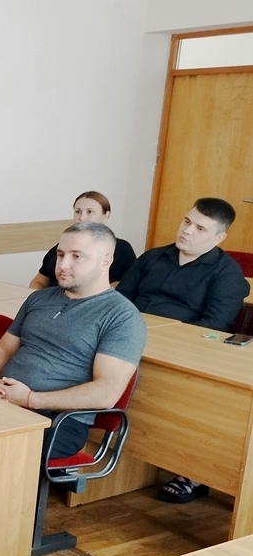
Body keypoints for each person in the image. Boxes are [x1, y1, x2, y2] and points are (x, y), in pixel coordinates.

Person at [115, 196, 250, 503]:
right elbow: (120, 300)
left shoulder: (227, 275)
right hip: (131, 337)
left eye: (200, 228)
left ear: (218, 238)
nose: (187, 231)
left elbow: (212, 327)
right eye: (187, 222)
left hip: (184, 351)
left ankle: (193, 472)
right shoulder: (153, 257)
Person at [0, 222, 146, 464]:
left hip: (59, 421)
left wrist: (30, 399)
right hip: (4, 402)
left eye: (76, 256)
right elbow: (3, 348)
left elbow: (106, 393)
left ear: (105, 261)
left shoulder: (122, 317)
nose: (63, 264)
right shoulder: (38, 299)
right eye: (60, 255)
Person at [28, 191, 137, 290]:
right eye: (78, 211)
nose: (82, 217)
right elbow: (38, 282)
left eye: (89, 212)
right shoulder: (63, 246)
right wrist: (40, 299)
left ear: (106, 215)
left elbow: (118, 288)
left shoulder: (121, 249)